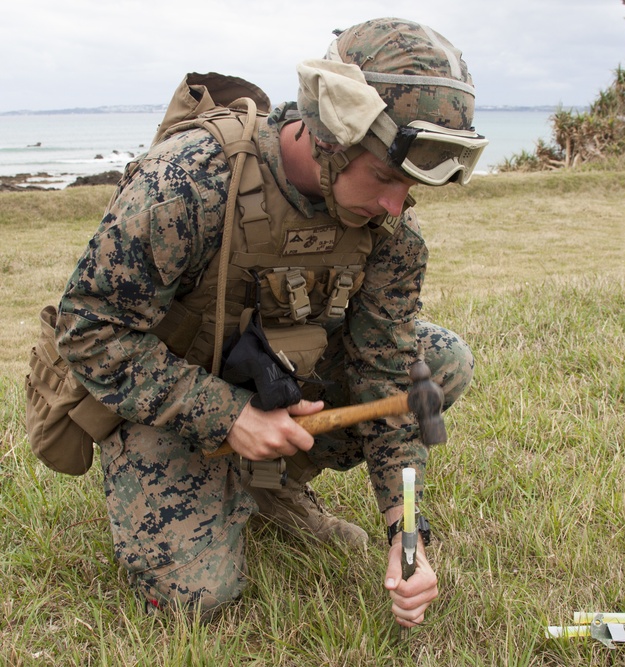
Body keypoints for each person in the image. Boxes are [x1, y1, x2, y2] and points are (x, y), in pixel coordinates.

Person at [54, 17, 487, 624]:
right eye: (387, 177)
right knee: (197, 599)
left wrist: (406, 536)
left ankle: (267, 485)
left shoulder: (390, 230)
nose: (396, 206)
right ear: (333, 132)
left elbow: (387, 377)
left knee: (439, 363)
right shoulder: (190, 183)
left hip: (280, 380)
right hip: (171, 395)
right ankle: (222, 478)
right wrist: (227, 415)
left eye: (411, 186)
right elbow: (88, 328)